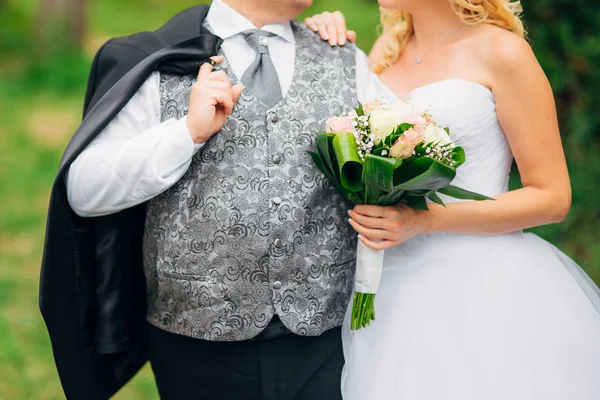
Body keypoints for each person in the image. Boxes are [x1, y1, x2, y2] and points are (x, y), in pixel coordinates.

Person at [40, 0, 393, 398]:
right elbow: (84, 191)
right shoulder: (159, 58)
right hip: (197, 343)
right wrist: (186, 134)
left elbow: (401, 156)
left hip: (324, 337)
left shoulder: (344, 57)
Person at [305, 1, 600, 399]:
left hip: (481, 289)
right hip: (387, 288)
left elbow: (552, 197)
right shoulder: (383, 53)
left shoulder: (502, 52)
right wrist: (319, 39)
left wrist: (425, 220)